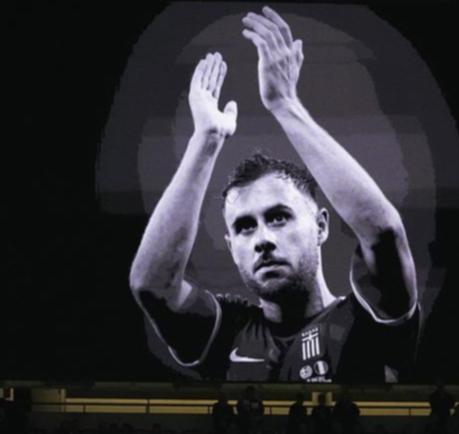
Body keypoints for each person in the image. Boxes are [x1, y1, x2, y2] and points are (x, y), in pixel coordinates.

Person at [129, 5, 419, 383]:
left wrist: (285, 104)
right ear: (232, 246)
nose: (264, 239)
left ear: (320, 226)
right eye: (246, 227)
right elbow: (151, 285)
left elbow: (382, 232)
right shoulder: (225, 333)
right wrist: (206, 140)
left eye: (279, 217)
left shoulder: (369, 318)